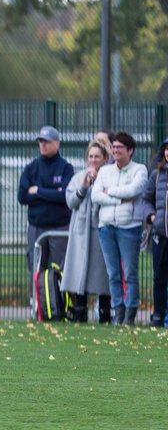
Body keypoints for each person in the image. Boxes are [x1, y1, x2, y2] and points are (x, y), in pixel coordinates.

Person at [91, 131, 148, 325]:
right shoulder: (106, 171)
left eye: (119, 148)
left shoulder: (139, 170)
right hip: (106, 227)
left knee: (130, 273)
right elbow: (95, 195)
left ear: (130, 150)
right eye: (113, 147)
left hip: (129, 227)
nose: (115, 151)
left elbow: (134, 190)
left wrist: (110, 192)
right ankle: (118, 312)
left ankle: (130, 315)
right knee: (113, 273)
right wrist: (120, 198)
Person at [18, 125, 74, 309]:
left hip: (59, 227)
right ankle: (38, 306)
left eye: (47, 142)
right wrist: (52, 193)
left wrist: (39, 191)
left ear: (57, 143)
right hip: (37, 226)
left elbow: (64, 196)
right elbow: (23, 196)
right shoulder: (31, 168)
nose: (43, 145)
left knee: (60, 268)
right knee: (36, 267)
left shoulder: (65, 168)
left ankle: (63, 306)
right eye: (41, 141)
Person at [62, 139, 112, 323]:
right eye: (90, 156)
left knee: (102, 273)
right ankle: (80, 311)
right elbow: (71, 202)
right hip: (81, 233)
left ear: (105, 159)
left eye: (97, 156)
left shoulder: (109, 176)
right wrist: (83, 187)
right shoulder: (77, 177)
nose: (93, 160)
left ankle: (105, 312)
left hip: (100, 229)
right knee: (79, 272)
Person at [139, 139, 168, 326]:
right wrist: (151, 216)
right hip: (160, 234)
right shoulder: (157, 175)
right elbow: (145, 199)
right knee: (159, 277)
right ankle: (158, 315)